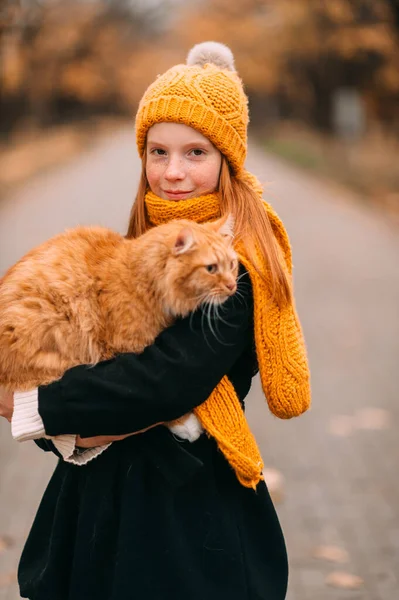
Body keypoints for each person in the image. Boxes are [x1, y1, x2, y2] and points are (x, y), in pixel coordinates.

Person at [0, 41, 310, 600]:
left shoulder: (235, 263)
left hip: (182, 508)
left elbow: (163, 381)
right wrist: (55, 413)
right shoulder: (149, 238)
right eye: (157, 152)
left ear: (227, 160)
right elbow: (96, 354)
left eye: (195, 153)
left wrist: (30, 406)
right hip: (101, 495)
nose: (172, 172)